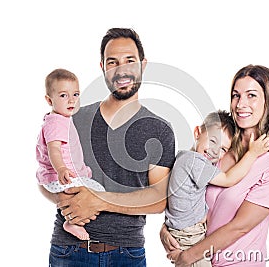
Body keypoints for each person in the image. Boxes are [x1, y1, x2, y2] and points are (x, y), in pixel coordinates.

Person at [39, 28, 176, 266]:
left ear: (143, 64)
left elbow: (158, 199)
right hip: (69, 251)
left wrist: (100, 201)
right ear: (102, 67)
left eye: (129, 61)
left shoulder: (159, 130)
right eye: (112, 62)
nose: (121, 70)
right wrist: (63, 200)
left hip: (127, 254)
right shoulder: (73, 119)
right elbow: (45, 175)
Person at [160, 64, 269, 267]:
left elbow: (239, 227)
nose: (241, 104)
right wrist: (167, 230)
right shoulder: (217, 150)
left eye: (251, 95)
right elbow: (185, 194)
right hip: (199, 258)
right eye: (236, 95)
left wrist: (188, 256)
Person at [165, 110, 269, 267]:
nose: (215, 151)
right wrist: (252, 153)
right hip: (190, 236)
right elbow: (229, 179)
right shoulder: (195, 162)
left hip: (188, 232)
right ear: (197, 133)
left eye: (223, 149)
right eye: (212, 141)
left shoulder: (186, 157)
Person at [36, 68, 105, 240]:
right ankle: (72, 222)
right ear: (49, 100)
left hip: (62, 174)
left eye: (75, 94)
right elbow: (54, 150)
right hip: (60, 177)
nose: (71, 100)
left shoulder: (61, 118)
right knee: (97, 193)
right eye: (63, 95)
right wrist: (61, 169)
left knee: (92, 194)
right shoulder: (56, 123)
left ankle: (74, 220)